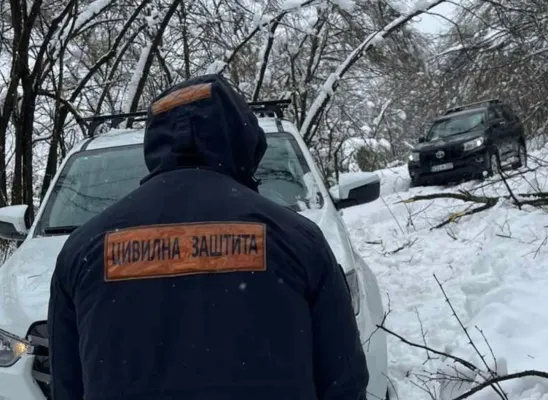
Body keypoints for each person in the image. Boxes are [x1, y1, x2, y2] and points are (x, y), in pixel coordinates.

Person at [47, 74, 369, 400]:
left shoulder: (84, 250)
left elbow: (66, 388)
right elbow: (343, 382)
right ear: (244, 141)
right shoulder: (296, 239)